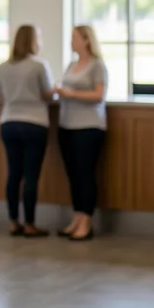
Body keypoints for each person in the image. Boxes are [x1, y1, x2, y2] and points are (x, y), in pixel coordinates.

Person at [0, 25, 54, 238]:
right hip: (34, 123)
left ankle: (13, 221)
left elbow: (1, 97)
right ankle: (30, 223)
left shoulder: (4, 66)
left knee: (14, 174)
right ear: (33, 40)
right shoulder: (39, 66)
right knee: (31, 176)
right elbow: (47, 95)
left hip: (8, 122)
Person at [54, 26, 107, 241]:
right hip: (67, 124)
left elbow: (99, 95)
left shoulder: (97, 66)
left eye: (75, 38)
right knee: (73, 174)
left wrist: (71, 93)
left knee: (85, 173)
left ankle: (86, 219)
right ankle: (76, 216)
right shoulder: (71, 65)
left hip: (88, 127)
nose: (71, 41)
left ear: (86, 40)